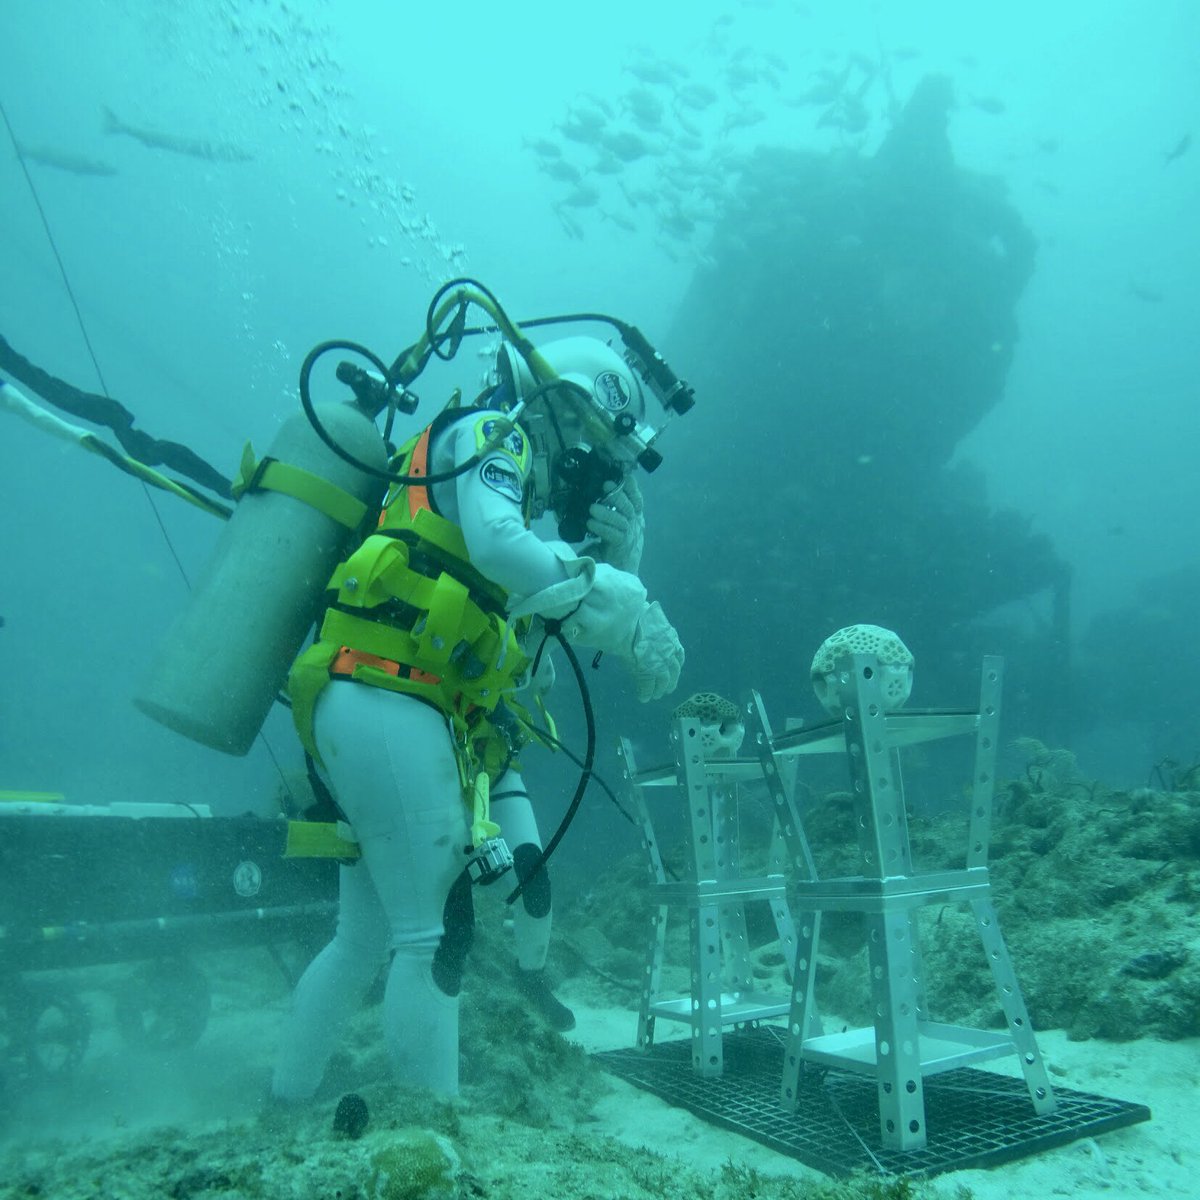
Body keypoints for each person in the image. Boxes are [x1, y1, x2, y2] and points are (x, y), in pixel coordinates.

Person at [270, 336, 683, 1102]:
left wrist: (618, 561)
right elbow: (502, 550)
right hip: (386, 697)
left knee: (363, 937)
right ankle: (437, 1123)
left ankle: (285, 1100)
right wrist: (628, 606)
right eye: (592, 440)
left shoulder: (465, 463)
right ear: (561, 402)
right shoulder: (499, 436)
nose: (589, 464)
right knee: (433, 931)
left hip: (366, 700)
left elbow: (521, 632)